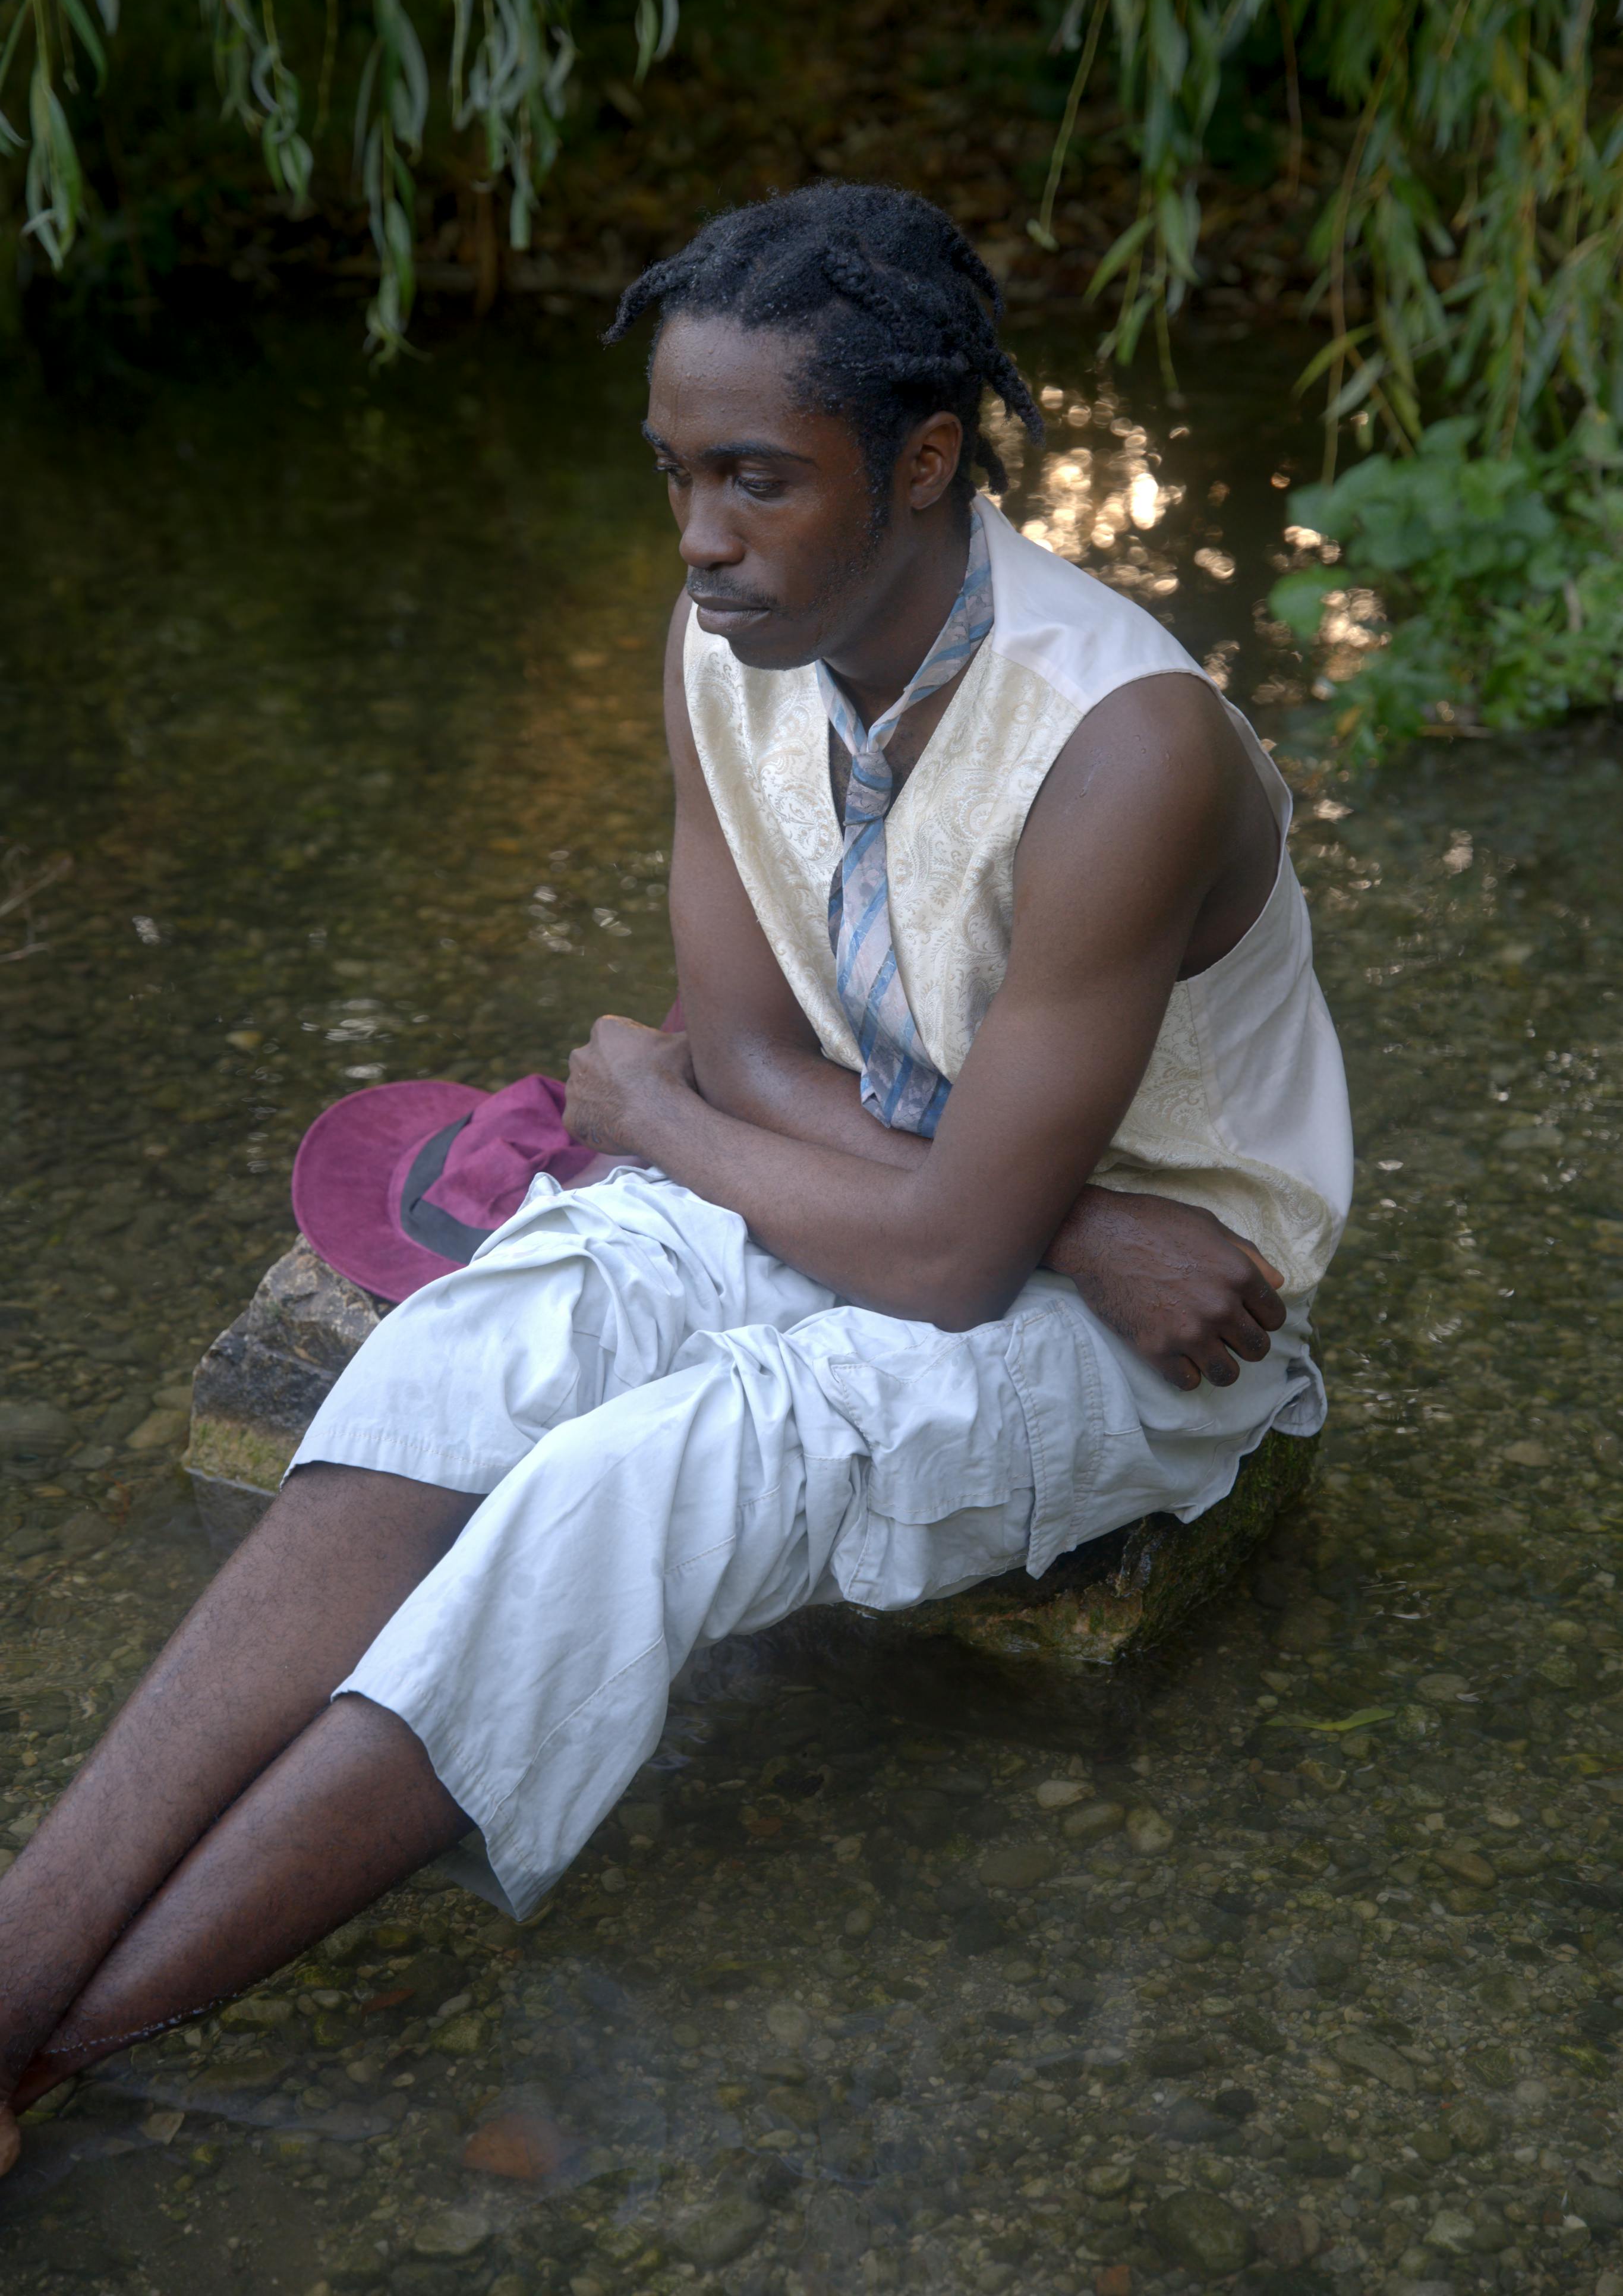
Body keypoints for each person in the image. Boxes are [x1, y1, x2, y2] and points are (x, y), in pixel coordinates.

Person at [0, 182, 1351, 2172]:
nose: (702, 538)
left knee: (639, 1477)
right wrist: (898, 1170)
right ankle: (16, 1971)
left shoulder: (1119, 745)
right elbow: (737, 1049)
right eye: (673, 478)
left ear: (923, 460)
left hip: (1156, 1321)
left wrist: (688, 1131)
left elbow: (941, 1257)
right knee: (487, 1343)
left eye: (753, 480)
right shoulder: (729, 644)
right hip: (951, 1205)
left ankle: (65, 2056)